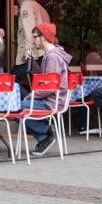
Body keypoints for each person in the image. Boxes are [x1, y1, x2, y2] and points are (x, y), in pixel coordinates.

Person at [17, 23, 70, 156]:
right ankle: (44, 131)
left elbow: (48, 87)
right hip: (53, 100)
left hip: (50, 102)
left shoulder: (52, 57)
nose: (33, 40)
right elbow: (44, 79)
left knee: (14, 107)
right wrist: (32, 62)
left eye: (35, 37)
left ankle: (44, 135)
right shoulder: (51, 55)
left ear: (44, 37)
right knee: (16, 106)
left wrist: (30, 97)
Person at [11, 0, 50, 84]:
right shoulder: (41, 8)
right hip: (44, 52)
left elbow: (29, 31)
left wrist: (28, 53)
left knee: (12, 80)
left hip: (34, 54)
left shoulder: (26, 6)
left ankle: (25, 99)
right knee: (40, 83)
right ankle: (32, 98)